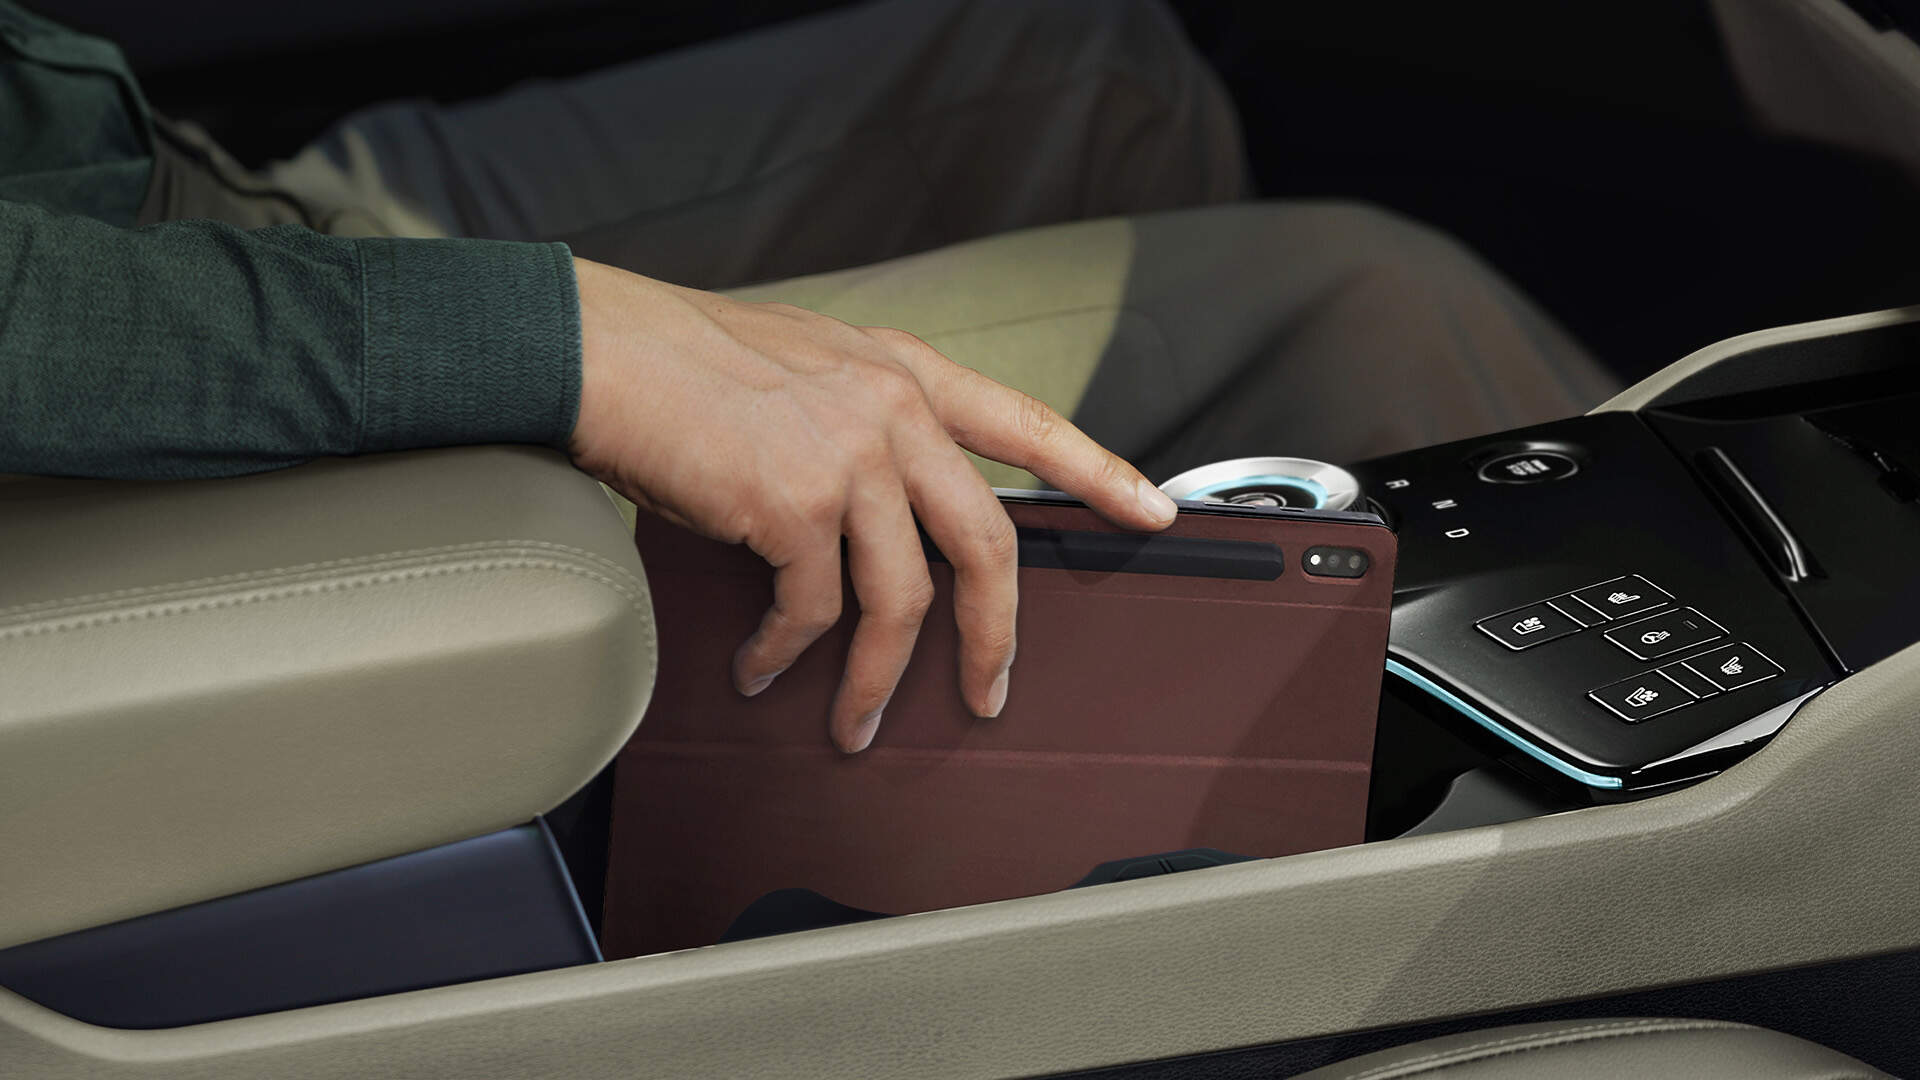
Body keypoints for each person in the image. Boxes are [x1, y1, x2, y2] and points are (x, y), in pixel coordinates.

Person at [0, 0, 1619, 752]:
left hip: (141, 195)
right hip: (110, 383)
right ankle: (1757, 834)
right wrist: (569, 340)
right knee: (1375, 306)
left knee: (1086, 64)